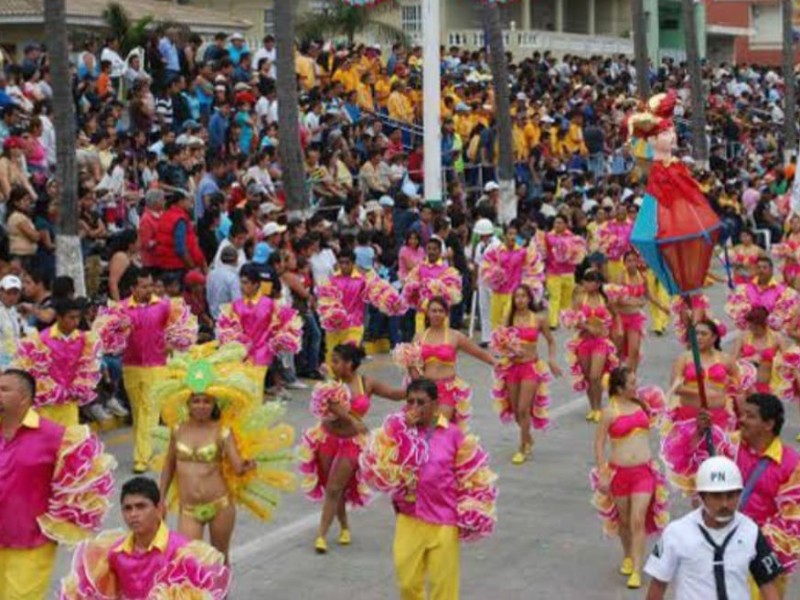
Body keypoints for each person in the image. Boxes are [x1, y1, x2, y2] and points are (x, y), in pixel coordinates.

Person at [359, 378, 498, 600]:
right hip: (409, 518)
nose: (414, 408)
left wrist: (471, 510)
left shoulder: (454, 435)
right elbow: (379, 467)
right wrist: (398, 433)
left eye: (420, 402)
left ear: (435, 404)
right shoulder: (398, 432)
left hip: (444, 520)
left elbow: (471, 476)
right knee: (407, 582)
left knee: (443, 587)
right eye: (410, 402)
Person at [156, 343, 296, 562]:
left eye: (206, 402)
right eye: (196, 401)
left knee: (220, 560)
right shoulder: (177, 430)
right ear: (188, 404)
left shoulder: (223, 432)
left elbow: (237, 465)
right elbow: (169, 466)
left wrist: (247, 466)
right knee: (188, 560)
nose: (201, 406)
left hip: (220, 504)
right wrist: (161, 499)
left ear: (214, 405)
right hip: (188, 509)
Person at [0, 369, 116, 600]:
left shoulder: (56, 437)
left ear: (24, 397)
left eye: (3, 390)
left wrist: (60, 527)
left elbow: (84, 487)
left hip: (30, 546)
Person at [299, 344, 405, 553]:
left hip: (351, 442)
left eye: (337, 361)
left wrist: (415, 375)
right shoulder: (330, 385)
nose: (333, 365)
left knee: (334, 488)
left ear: (350, 364)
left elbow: (396, 394)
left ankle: (321, 535)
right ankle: (344, 527)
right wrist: (353, 419)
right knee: (333, 487)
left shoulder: (367, 383)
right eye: (332, 360)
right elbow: (333, 406)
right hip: (327, 439)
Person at [95, 267, 197, 473]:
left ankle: (141, 457)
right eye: (143, 286)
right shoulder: (121, 309)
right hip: (131, 367)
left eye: (150, 285)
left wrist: (172, 342)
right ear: (133, 288)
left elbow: (182, 329)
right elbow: (103, 335)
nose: (148, 289)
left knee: (149, 411)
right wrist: (117, 328)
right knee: (138, 412)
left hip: (157, 366)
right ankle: (146, 450)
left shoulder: (164, 306)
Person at [59, 476, 231, 599]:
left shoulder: (182, 551)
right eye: (128, 508)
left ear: (159, 509)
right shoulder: (114, 553)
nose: (133, 515)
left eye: (141, 507)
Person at [644, 456, 783, 600]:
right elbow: (658, 585)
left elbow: (768, 585)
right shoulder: (676, 533)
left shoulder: (750, 531)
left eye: (731, 496)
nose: (724, 504)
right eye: (717, 496)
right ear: (702, 496)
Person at [591, 367, 669, 590]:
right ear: (619, 388)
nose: (637, 386)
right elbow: (598, 443)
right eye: (632, 383)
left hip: (643, 472)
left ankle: (636, 569)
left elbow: (664, 411)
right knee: (624, 521)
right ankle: (627, 555)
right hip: (620, 474)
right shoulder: (610, 412)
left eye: (636, 382)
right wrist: (602, 473)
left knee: (637, 519)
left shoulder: (643, 405)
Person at [661, 319, 740, 495]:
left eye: (703, 334)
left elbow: (738, 387)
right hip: (689, 417)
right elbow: (675, 387)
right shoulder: (685, 358)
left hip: (718, 418)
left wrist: (738, 412)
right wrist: (701, 391)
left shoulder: (726, 360)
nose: (698, 337)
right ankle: (699, 505)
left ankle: (717, 497)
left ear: (714, 337)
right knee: (695, 465)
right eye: (695, 334)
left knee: (718, 461)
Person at [736, 393, 800, 597]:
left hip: (766, 554)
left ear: (769, 424)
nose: (742, 420)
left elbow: (793, 517)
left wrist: (754, 539)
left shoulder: (792, 464)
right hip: (728, 548)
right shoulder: (730, 445)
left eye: (750, 416)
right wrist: (701, 433)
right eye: (743, 413)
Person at [397, 296, 494, 430]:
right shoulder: (419, 337)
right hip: (426, 389)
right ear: (427, 313)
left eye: (440, 311)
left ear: (447, 313)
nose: (437, 314)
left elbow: (479, 353)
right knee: (421, 428)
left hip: (447, 389)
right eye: (433, 311)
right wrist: (416, 380)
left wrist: (498, 363)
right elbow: (411, 363)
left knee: (440, 425)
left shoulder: (455, 336)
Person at [491, 284, 561, 464]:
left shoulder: (538, 319)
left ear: (529, 298)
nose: (520, 300)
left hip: (530, 367)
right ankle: (527, 436)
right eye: (517, 297)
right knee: (515, 411)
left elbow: (551, 341)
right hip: (512, 368)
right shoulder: (509, 319)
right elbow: (501, 344)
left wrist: (552, 360)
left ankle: (522, 448)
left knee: (523, 409)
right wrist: (508, 351)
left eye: (523, 296)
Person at [216, 264, 302, 397]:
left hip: (263, 353)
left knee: (256, 392)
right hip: (243, 354)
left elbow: (282, 324)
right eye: (241, 282)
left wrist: (276, 342)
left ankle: (276, 385)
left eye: (246, 282)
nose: (242, 286)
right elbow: (231, 329)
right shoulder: (236, 305)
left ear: (256, 285)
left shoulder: (269, 304)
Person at [12, 299, 102, 426]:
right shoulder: (41, 339)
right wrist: (53, 389)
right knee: (49, 440)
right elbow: (35, 371)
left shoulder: (85, 340)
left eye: (78, 317)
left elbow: (87, 368)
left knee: (70, 439)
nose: (75, 322)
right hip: (48, 403)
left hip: (70, 400)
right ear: (59, 317)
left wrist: (78, 387)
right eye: (71, 317)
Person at [316, 249, 406, 366]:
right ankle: (335, 383)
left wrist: (392, 303)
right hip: (334, 328)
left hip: (354, 325)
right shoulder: (331, 280)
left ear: (353, 263)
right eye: (341, 262)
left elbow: (378, 293)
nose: (343, 266)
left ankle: (348, 382)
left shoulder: (363, 280)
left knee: (347, 358)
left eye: (346, 263)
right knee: (332, 361)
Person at [563, 269, 619, 422]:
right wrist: (580, 325)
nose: (586, 284)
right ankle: (593, 407)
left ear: (598, 283)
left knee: (596, 375)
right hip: (584, 341)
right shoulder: (580, 299)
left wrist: (616, 330)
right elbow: (572, 318)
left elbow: (615, 314)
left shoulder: (605, 299)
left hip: (600, 342)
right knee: (588, 377)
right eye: (585, 280)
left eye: (590, 281)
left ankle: (599, 407)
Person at [607, 251, 668, 372]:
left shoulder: (642, 277)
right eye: (629, 261)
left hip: (635, 317)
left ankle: (631, 375)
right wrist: (635, 302)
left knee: (634, 350)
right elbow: (615, 300)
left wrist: (663, 307)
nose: (632, 264)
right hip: (621, 317)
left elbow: (648, 295)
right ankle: (617, 375)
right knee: (618, 350)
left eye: (634, 260)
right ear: (624, 263)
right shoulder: (620, 277)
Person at [480, 220, 544, 330]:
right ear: (504, 236)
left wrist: (530, 283)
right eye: (510, 234)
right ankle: (497, 344)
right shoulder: (496, 251)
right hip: (497, 294)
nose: (512, 237)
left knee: (509, 322)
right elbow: (486, 266)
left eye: (514, 234)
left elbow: (532, 267)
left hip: (513, 293)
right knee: (496, 323)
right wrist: (493, 273)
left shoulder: (522, 252)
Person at [403, 238, 463, 334]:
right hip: (422, 311)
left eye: (434, 249)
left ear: (440, 251)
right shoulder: (419, 268)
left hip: (439, 311)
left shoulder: (447, 270)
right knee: (421, 339)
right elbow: (409, 284)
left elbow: (452, 293)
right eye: (429, 249)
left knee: (441, 340)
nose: (431, 252)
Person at [726, 257, 799, 334]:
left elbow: (784, 314)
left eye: (764, 267)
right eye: (758, 267)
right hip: (750, 330)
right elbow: (738, 310)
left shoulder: (783, 291)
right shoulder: (745, 288)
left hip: (771, 333)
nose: (761, 270)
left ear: (771, 270)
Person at [731, 307, 788, 395]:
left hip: (769, 385)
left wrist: (776, 361)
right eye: (750, 326)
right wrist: (747, 359)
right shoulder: (742, 337)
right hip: (748, 387)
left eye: (755, 327)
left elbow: (788, 361)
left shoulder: (777, 337)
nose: (751, 329)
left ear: (764, 324)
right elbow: (731, 362)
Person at [544, 214, 586, 329]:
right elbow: (544, 253)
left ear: (566, 224)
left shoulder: (572, 237)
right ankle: (553, 322)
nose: (557, 225)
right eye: (556, 222)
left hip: (568, 271)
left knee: (567, 298)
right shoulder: (548, 237)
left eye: (560, 222)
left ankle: (565, 319)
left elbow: (577, 252)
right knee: (554, 297)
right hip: (553, 271)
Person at [0, 274, 32, 369]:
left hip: (16, 361)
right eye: (9, 293)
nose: (12, 297)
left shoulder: (16, 313)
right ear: (1, 291)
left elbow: (24, 333)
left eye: (15, 293)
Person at [206, 245, 241, 319]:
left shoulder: (211, 274)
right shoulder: (233, 278)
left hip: (213, 317)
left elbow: (208, 296)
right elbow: (237, 302)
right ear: (236, 259)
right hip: (227, 320)